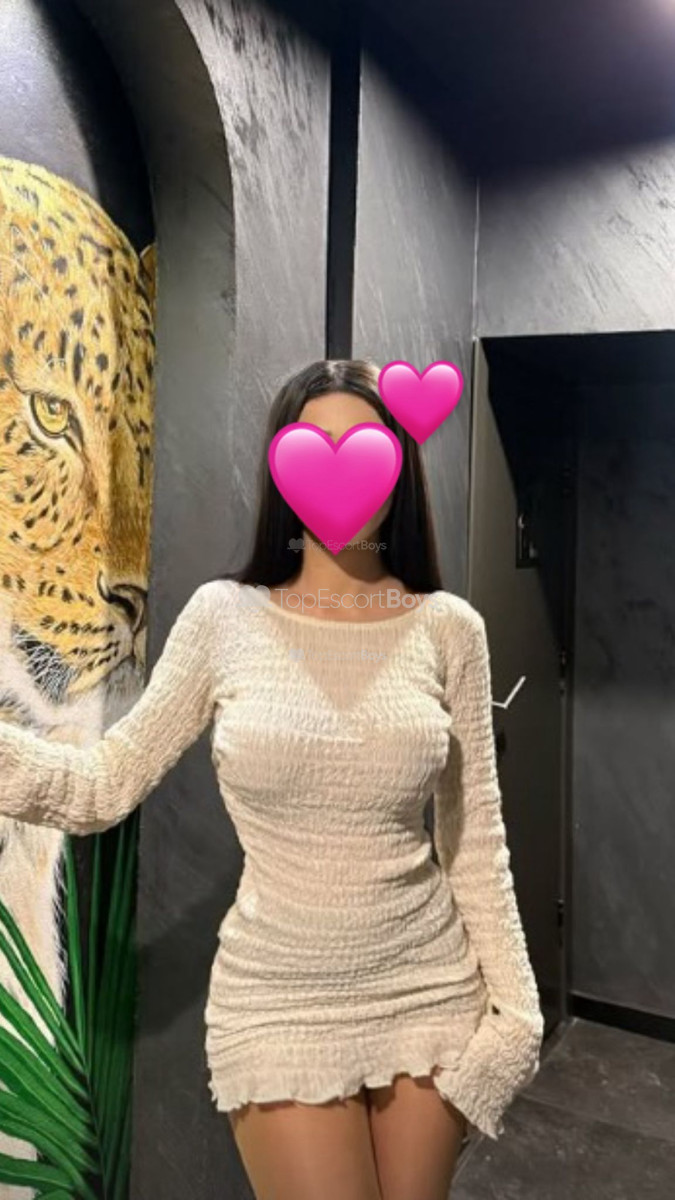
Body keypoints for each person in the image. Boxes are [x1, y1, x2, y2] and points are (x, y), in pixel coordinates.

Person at [0, 359, 543, 1200]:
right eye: (314, 444)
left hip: (431, 990)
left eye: (364, 446)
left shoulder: (448, 630)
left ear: (400, 467)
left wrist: (517, 1021)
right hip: (279, 1000)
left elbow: (474, 841)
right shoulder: (224, 618)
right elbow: (103, 783)